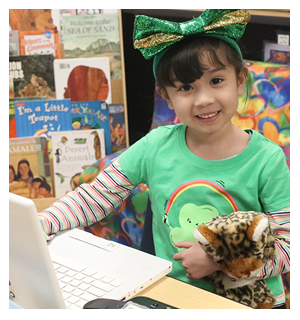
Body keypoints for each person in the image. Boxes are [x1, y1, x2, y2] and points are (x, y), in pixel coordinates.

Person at [38, 10, 290, 308]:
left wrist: (221, 261)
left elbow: (288, 248)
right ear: (167, 97)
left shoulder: (267, 159)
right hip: (170, 296)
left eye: (217, 80)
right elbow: (94, 197)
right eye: (185, 87)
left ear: (239, 80)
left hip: (249, 303)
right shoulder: (156, 146)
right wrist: (38, 225)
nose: (204, 99)